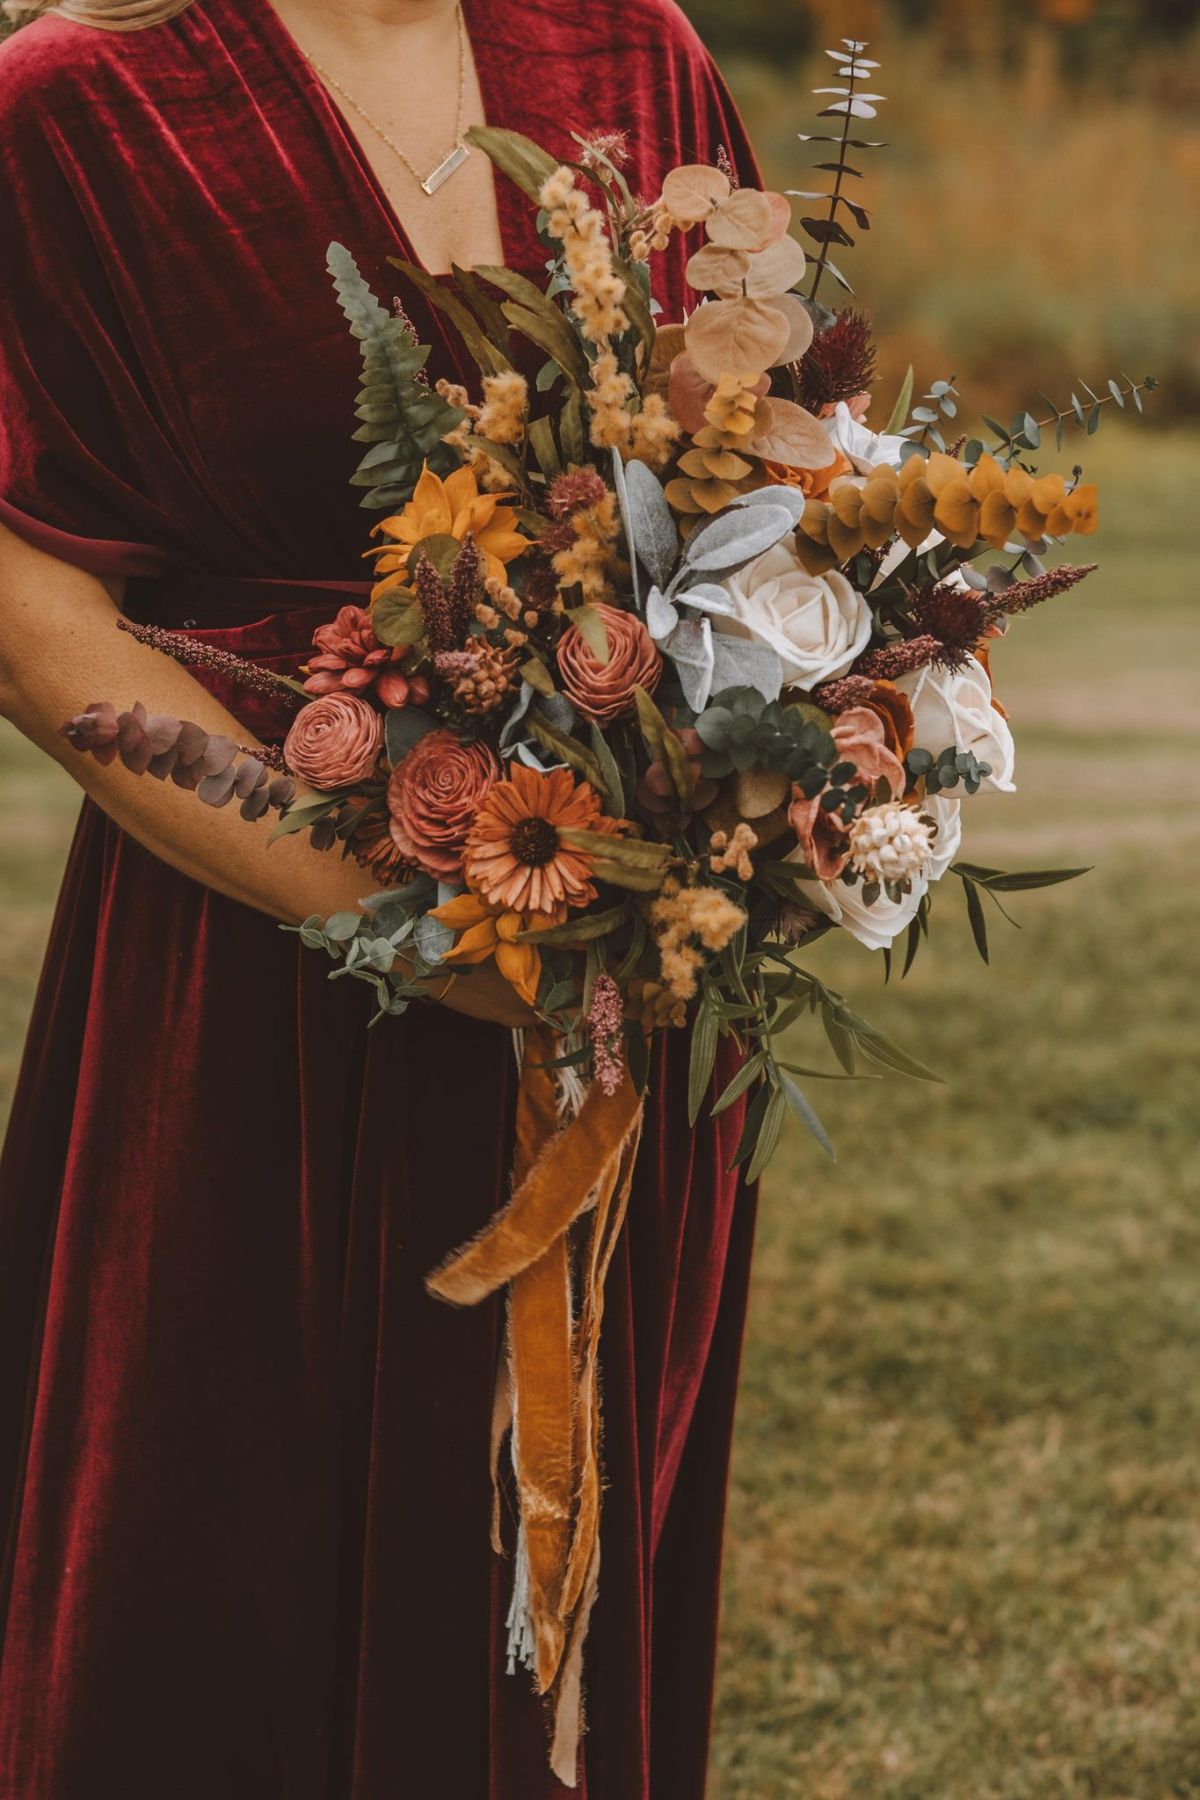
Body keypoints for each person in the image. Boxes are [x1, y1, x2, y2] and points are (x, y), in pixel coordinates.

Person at [0, 0, 759, 1792]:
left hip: (606, 1004)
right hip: (246, 996)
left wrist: (805, 760)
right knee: (216, 1598)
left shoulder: (634, 54)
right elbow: (33, 618)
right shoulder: (73, 111)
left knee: (537, 1616)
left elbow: (769, 467)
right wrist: (405, 910)